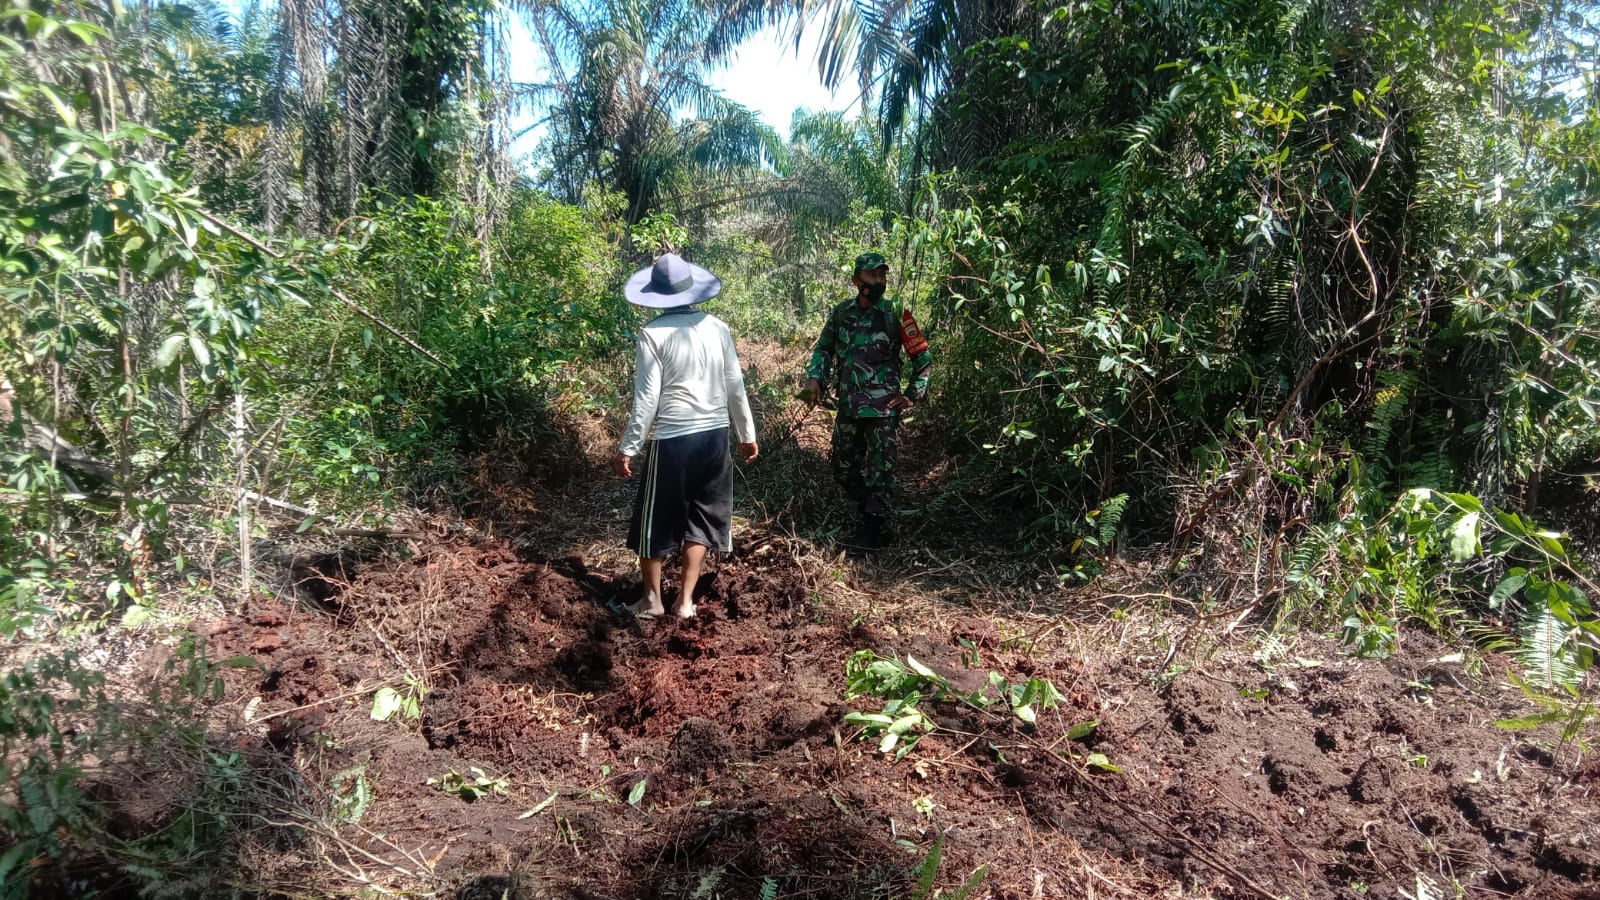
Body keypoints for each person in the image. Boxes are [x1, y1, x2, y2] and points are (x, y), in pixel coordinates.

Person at [615, 253, 759, 619]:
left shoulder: (652, 333)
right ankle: (685, 602)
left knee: (654, 521)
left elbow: (647, 397)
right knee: (702, 517)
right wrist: (746, 433)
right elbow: (734, 385)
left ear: (657, 295)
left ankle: (651, 601)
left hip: (674, 440)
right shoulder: (718, 327)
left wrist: (629, 446)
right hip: (714, 439)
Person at [800, 251, 932, 550]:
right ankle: (868, 512)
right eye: (873, 275)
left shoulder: (896, 312)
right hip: (848, 406)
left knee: (880, 470)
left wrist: (912, 394)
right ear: (857, 280)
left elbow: (922, 358)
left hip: (884, 410)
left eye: (883, 275)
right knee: (842, 467)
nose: (880, 280)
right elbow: (824, 348)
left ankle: (874, 530)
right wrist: (814, 379)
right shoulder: (842, 313)